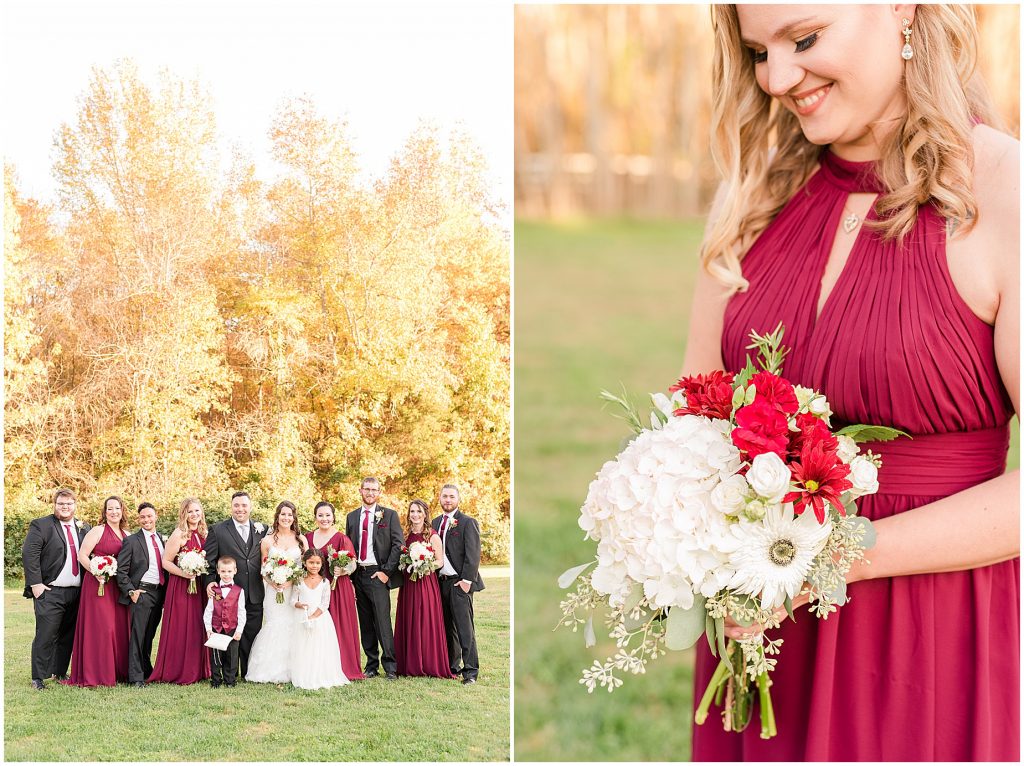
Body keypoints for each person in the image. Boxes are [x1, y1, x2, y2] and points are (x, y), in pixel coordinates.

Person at [685, 6, 1018, 760]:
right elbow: (694, 417)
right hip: (765, 630)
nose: (775, 79)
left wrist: (831, 559)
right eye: (756, 51)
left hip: (928, 635)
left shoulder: (1005, 192)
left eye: (803, 40)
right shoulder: (750, 196)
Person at [22, 488, 91, 689]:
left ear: (75, 505)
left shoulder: (84, 527)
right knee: (46, 634)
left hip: (77, 592)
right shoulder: (41, 525)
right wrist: (36, 585)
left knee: (68, 635)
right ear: (55, 505)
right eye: (61, 504)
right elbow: (30, 554)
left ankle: (59, 671)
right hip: (50, 591)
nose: (65, 507)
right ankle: (38, 677)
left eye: (69, 504)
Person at [63, 495, 131, 687]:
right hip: (98, 586)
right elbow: (82, 555)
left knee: (117, 628)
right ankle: (98, 673)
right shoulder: (97, 531)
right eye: (110, 509)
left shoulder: (127, 533)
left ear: (122, 510)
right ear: (105, 512)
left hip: (117, 588)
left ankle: (118, 672)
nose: (114, 512)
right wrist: (96, 571)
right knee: (102, 628)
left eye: (117, 508)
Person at [345, 477, 404, 680]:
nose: (370, 493)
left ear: (379, 492)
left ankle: (390, 666)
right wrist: (350, 578)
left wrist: (386, 572)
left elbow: (398, 545)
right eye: (367, 489)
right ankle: (371, 665)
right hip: (358, 574)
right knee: (366, 623)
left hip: (377, 574)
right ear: (360, 491)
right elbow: (348, 548)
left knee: (382, 621)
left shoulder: (389, 515)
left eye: (374, 490)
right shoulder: (352, 517)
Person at [203, 491, 267, 677]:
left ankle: (249, 671)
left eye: (244, 505)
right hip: (227, 594)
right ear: (231, 507)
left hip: (254, 591)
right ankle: (228, 672)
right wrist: (209, 583)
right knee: (228, 632)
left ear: (250, 507)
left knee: (252, 633)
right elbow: (209, 561)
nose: (240, 509)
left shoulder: (262, 528)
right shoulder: (218, 530)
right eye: (236, 505)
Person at [149, 497, 211, 684]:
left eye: (197, 511)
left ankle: (198, 670)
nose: (194, 515)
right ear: (184, 513)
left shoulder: (204, 533)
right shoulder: (179, 534)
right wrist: (186, 574)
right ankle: (176, 670)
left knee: (197, 626)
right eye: (190, 511)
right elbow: (166, 562)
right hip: (181, 587)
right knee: (182, 626)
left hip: (198, 587)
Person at [245, 500, 305, 684]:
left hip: (293, 590)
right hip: (273, 591)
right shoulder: (268, 540)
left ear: (294, 517)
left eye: (290, 514)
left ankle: (294, 670)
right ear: (277, 516)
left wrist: (290, 581)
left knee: (293, 626)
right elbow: (263, 568)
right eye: (283, 514)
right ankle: (270, 670)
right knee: (275, 624)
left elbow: (305, 567)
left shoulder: (301, 540)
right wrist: (274, 582)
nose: (286, 518)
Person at [395, 499, 455, 679]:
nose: (415, 515)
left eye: (419, 511)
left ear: (425, 514)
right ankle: (409, 663)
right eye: (412, 511)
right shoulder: (404, 534)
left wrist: (424, 565)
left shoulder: (432, 535)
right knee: (409, 618)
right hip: (408, 585)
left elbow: (440, 561)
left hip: (426, 583)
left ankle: (428, 663)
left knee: (425, 619)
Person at [305, 500, 363, 680]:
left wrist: (343, 570)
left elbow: (353, 563)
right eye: (320, 515)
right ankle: (317, 666)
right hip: (314, 587)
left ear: (333, 517)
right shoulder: (307, 538)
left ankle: (343, 666)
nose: (324, 519)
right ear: (315, 518)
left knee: (340, 625)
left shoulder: (341, 538)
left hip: (337, 587)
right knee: (315, 625)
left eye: (327, 515)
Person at [432, 484, 485, 684]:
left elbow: (473, 554)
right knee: (447, 627)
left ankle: (471, 671)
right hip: (441, 583)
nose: (447, 500)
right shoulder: (435, 523)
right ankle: (452, 667)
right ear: (439, 498)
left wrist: (466, 581)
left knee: (465, 628)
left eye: (451, 496)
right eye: (444, 496)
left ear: (458, 499)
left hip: (460, 583)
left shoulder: (467, 522)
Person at [115, 502, 167, 687]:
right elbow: (121, 570)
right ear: (139, 519)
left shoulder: (162, 539)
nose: (146, 519)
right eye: (143, 517)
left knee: (149, 634)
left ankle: (146, 670)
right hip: (142, 592)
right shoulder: (131, 541)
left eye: (149, 516)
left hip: (159, 592)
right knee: (138, 635)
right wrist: (131, 591)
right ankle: (135, 677)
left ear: (156, 516)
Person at [288, 547, 348, 690]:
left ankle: (320, 673)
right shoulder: (299, 580)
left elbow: (325, 604)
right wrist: (299, 605)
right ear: (304, 563)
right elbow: (292, 600)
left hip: (320, 618)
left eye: (317, 563)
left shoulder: (325, 582)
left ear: (322, 564)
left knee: (319, 647)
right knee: (304, 646)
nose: (314, 566)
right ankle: (304, 673)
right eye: (311, 562)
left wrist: (313, 617)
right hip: (302, 617)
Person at [203, 556, 246, 688]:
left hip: (232, 629)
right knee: (216, 656)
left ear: (235, 571)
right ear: (218, 571)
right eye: (223, 571)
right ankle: (216, 680)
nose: (226, 575)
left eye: (229, 571)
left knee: (232, 656)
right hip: (216, 628)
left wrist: (239, 630)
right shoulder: (214, 591)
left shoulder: (240, 591)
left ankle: (230, 680)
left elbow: (241, 612)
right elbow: (208, 611)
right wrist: (208, 629)